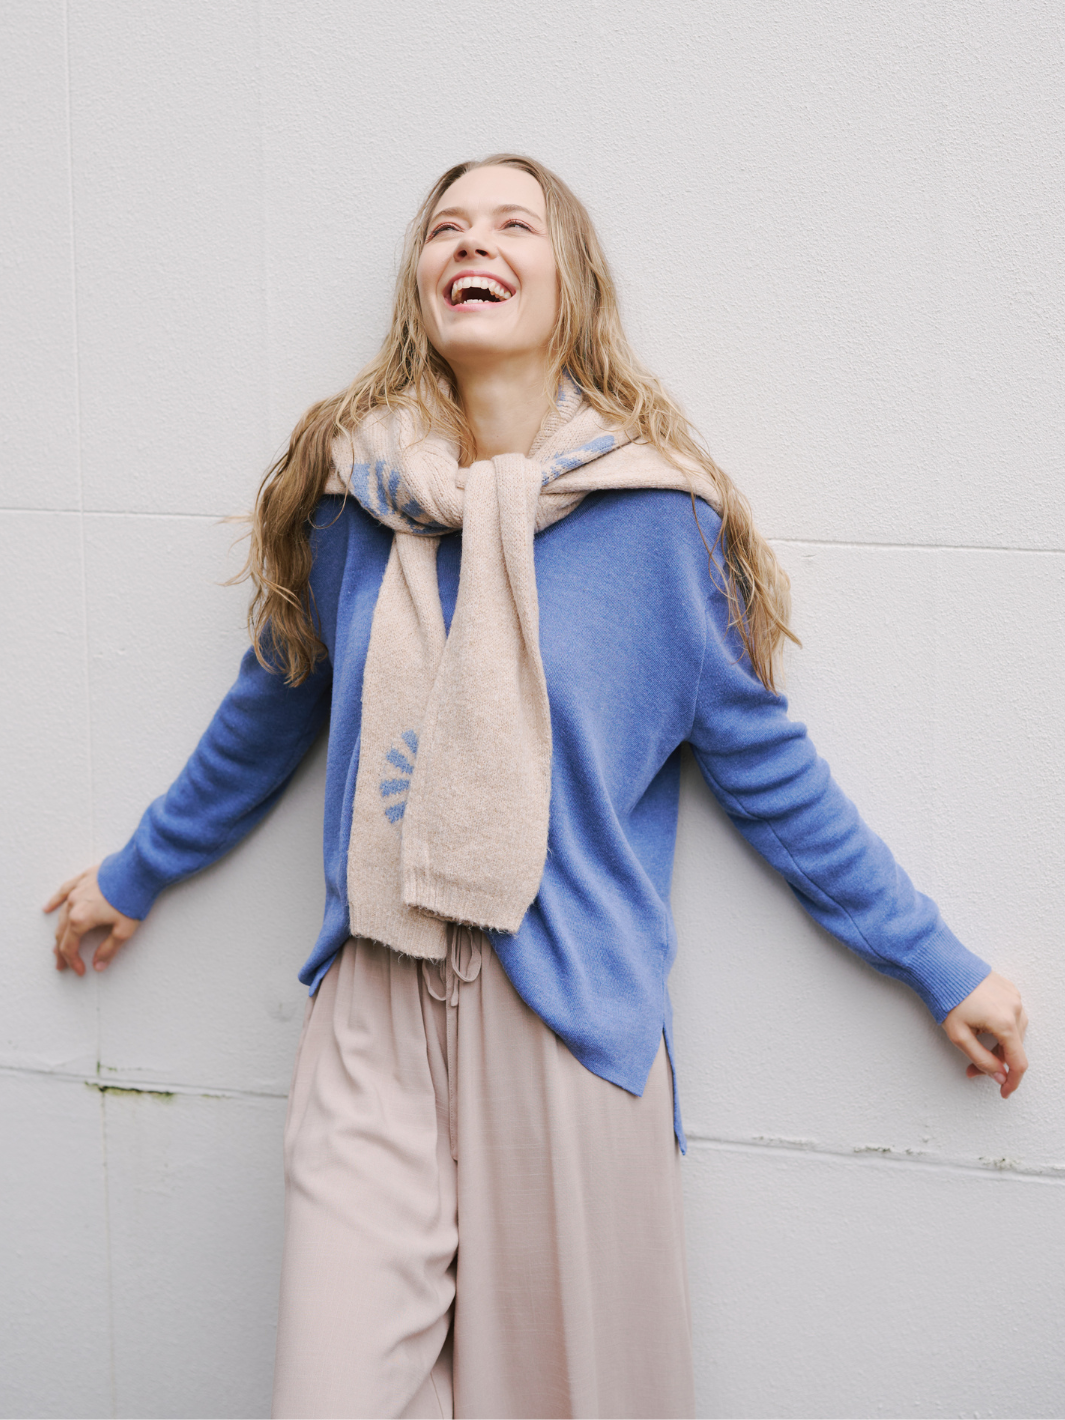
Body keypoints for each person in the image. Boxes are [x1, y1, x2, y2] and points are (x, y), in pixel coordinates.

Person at [45, 154, 1029, 1420]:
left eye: (515, 223)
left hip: (564, 1017)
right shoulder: (356, 505)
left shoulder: (657, 522)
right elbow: (272, 710)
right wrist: (137, 873)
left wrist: (939, 965)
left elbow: (772, 773)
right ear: (422, 283)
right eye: (448, 226)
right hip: (376, 1001)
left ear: (571, 283)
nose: (475, 241)